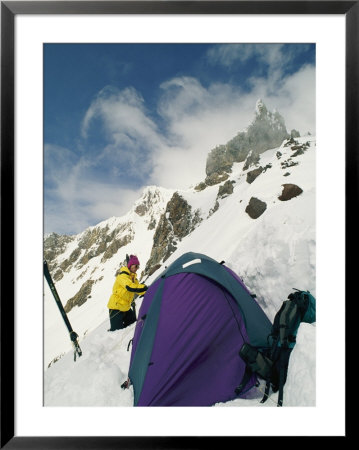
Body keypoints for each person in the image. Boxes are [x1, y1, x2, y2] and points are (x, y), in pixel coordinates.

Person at [107, 255, 148, 331]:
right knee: (116, 333)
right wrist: (144, 287)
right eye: (135, 266)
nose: (136, 268)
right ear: (130, 266)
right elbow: (130, 287)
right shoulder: (122, 276)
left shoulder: (133, 278)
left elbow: (137, 289)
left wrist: (148, 291)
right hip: (116, 308)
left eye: (137, 267)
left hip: (126, 307)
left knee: (132, 326)